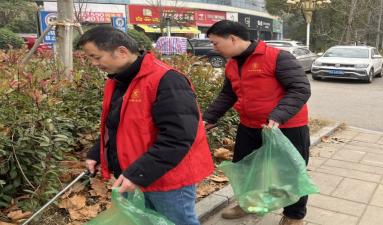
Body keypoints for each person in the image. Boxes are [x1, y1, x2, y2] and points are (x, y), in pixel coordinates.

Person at [77, 25, 214, 225]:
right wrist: (98, 152)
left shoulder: (167, 80)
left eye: (96, 57)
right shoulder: (118, 80)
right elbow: (118, 124)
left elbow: (178, 137)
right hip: (135, 174)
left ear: (122, 51)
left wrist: (139, 174)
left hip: (168, 179)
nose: (93, 63)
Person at [203, 20, 311, 225]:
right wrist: (209, 117)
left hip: (286, 127)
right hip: (250, 125)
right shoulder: (233, 64)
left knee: (291, 172)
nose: (213, 48)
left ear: (232, 39)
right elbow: (228, 95)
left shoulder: (278, 57)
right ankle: (248, 204)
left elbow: (300, 89)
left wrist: (278, 116)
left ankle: (293, 216)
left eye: (215, 43)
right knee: (245, 169)